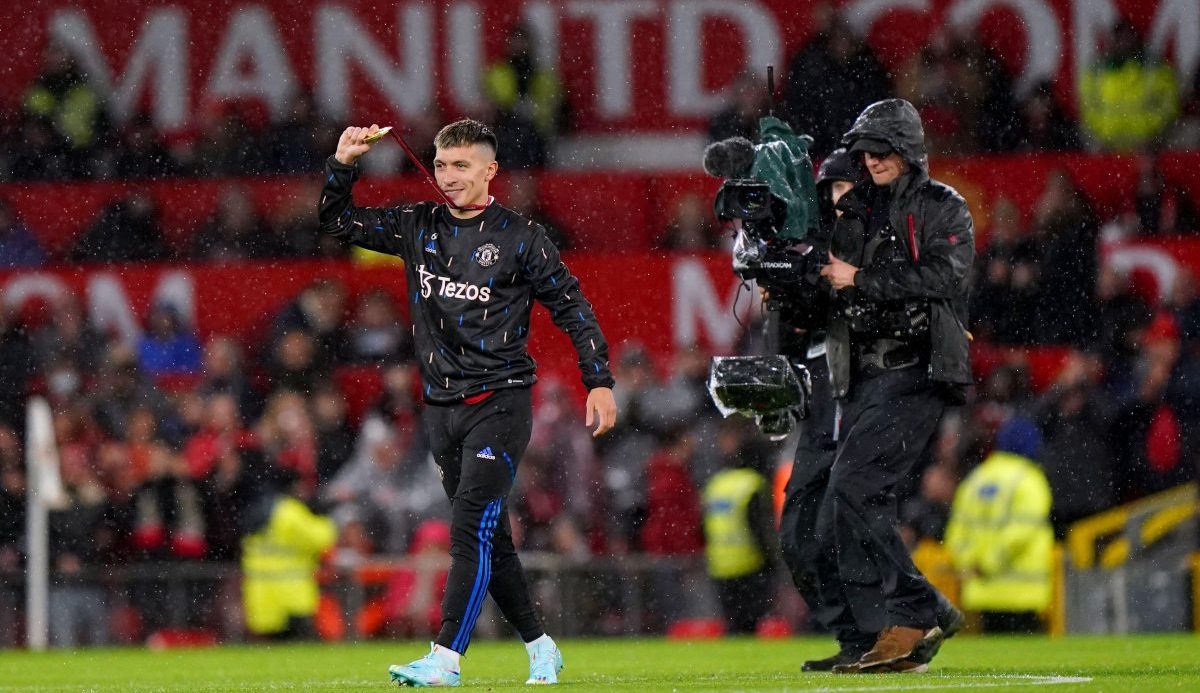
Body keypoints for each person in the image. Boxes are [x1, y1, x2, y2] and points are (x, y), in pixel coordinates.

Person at [318, 118, 617, 687]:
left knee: (465, 529)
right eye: (440, 165)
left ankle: (446, 657)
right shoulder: (417, 224)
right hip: (441, 410)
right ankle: (541, 646)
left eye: (461, 166)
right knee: (489, 536)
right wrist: (342, 165)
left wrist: (598, 379)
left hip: (499, 404)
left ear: (489, 171)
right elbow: (336, 221)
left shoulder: (521, 236)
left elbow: (572, 306)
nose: (448, 177)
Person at [774, 148, 962, 672]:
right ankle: (862, 635)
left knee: (847, 503)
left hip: (869, 384)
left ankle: (900, 623)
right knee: (800, 531)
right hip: (828, 388)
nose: (837, 202)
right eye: (829, 193)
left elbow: (903, 295)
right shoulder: (818, 245)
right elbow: (809, 317)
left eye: (844, 189)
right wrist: (787, 288)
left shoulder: (881, 238)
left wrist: (841, 280)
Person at [817, 98, 974, 673]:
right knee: (852, 499)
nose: (873, 159)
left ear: (908, 150)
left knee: (853, 487)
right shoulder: (854, 208)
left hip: (917, 368)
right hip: (862, 373)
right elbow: (836, 282)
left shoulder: (943, 206)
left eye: (883, 148)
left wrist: (862, 278)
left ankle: (920, 606)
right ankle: (895, 632)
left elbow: (947, 275)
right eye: (865, 150)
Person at [944, 416, 1053, 633]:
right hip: (1023, 595)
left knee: (992, 660)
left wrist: (970, 564)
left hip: (982, 592)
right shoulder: (1030, 480)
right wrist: (990, 562)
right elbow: (1022, 533)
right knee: (1028, 661)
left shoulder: (976, 479)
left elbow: (956, 535)